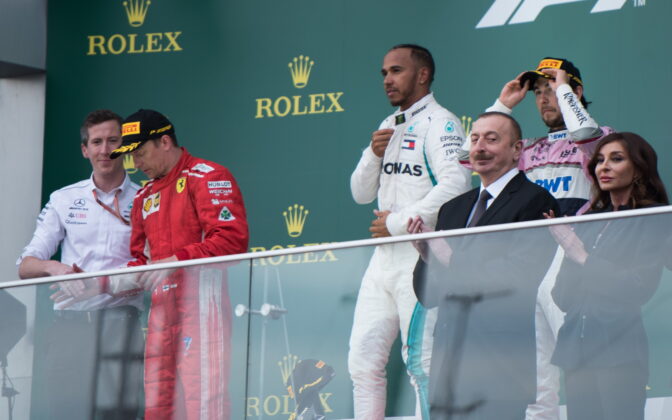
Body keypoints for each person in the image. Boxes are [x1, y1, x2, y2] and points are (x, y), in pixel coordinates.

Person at [485, 57, 615, 419]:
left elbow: (586, 135)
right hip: (526, 264)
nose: (543, 99)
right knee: (535, 383)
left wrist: (564, 92)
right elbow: (472, 158)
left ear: (575, 92)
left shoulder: (601, 137)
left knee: (580, 366)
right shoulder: (524, 148)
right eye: (538, 93)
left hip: (570, 260)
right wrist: (502, 107)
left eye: (551, 90)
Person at [349, 44, 471, 419]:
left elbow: (458, 184)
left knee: (421, 363)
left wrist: (396, 223)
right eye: (384, 72)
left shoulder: (442, 123)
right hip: (382, 262)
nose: (387, 79)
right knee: (362, 363)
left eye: (396, 71)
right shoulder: (388, 127)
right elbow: (359, 193)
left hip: (420, 258)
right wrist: (372, 155)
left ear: (422, 75)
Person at [411, 112, 559, 420]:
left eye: (492, 139)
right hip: (448, 370)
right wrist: (427, 257)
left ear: (517, 149)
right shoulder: (453, 209)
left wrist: (448, 256)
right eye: (475, 139)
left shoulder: (536, 201)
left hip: (499, 367)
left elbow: (515, 277)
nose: (480, 147)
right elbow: (430, 296)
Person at [109, 109, 249, 420]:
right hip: (159, 314)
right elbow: (141, 261)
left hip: (200, 307)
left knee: (205, 404)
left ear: (165, 141)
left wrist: (176, 261)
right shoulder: (144, 197)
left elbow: (231, 242)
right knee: (158, 409)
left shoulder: (208, 176)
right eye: (130, 156)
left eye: (141, 153)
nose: (136, 164)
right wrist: (102, 282)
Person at [17, 109, 144, 419]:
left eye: (113, 140)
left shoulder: (146, 198)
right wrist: (54, 267)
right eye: (97, 142)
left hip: (121, 324)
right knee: (66, 414)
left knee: (121, 416)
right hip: (69, 328)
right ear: (84, 149)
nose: (105, 150)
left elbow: (149, 269)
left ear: (125, 146)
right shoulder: (63, 199)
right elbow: (25, 265)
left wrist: (102, 285)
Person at [547, 132, 670, 420]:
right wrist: (578, 256)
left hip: (620, 351)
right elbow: (562, 296)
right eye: (600, 160)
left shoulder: (652, 219)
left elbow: (637, 288)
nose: (604, 167)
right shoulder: (591, 220)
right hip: (575, 351)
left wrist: (582, 256)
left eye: (616, 159)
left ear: (638, 168)